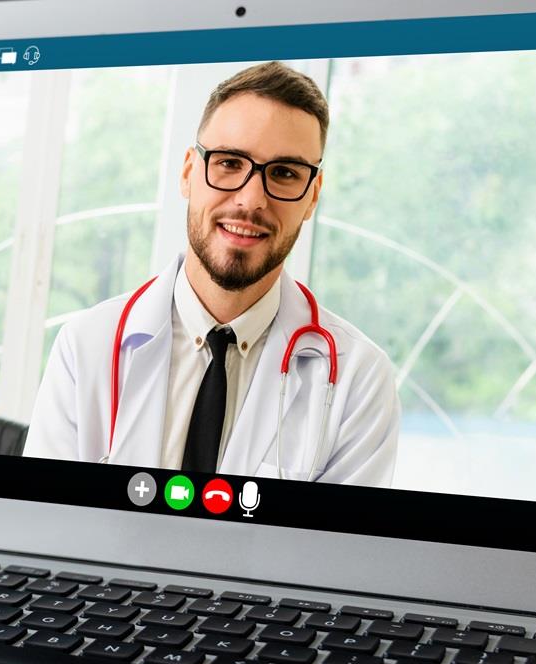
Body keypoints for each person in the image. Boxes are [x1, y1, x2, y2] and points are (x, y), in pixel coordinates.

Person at [23, 61, 399, 485]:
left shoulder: (359, 380)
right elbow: (47, 534)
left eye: (285, 173)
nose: (251, 199)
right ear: (188, 172)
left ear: (312, 197)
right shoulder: (86, 347)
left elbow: (334, 551)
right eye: (229, 163)